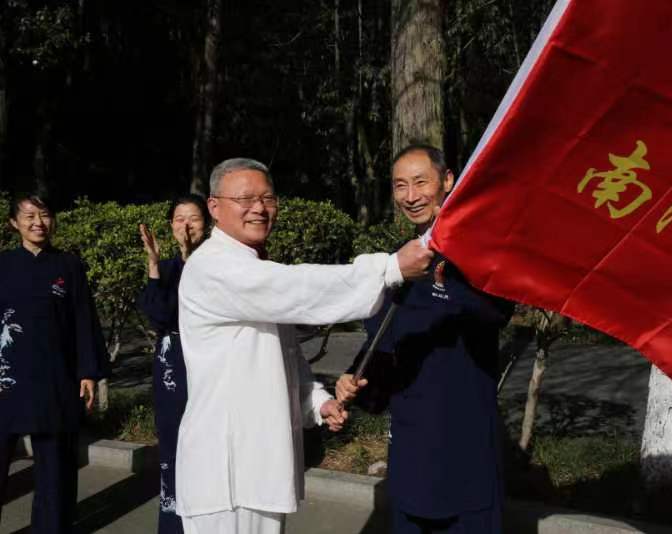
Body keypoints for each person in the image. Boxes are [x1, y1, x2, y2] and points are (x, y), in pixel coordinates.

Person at [175, 157, 433, 534]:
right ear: (214, 207)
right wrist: (389, 268)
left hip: (259, 468)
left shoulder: (254, 266)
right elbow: (295, 287)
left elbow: (282, 357)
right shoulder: (213, 267)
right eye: (245, 198)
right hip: (224, 474)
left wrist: (316, 402)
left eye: (267, 198)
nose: (259, 208)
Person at [336, 144, 514, 534]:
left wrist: (449, 279)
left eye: (421, 182)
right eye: (401, 186)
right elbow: (382, 349)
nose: (411, 196)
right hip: (412, 446)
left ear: (447, 181)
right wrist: (353, 382)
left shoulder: (480, 254)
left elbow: (498, 313)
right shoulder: (398, 265)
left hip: (465, 444)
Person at [0, 193, 108, 533]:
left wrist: (88, 372)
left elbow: (83, 321)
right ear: (13, 223)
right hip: (6, 378)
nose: (38, 222)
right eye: (29, 215)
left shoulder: (69, 266)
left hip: (55, 377)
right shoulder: (2, 265)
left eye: (44, 214)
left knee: (56, 468)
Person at [137, 194, 210, 534]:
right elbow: (159, 315)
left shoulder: (217, 266)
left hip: (209, 370)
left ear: (207, 224)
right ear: (170, 226)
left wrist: (189, 259)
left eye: (193, 218)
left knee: (207, 451)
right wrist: (154, 265)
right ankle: (173, 525)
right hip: (172, 371)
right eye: (179, 219)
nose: (186, 226)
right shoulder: (164, 269)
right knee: (172, 447)